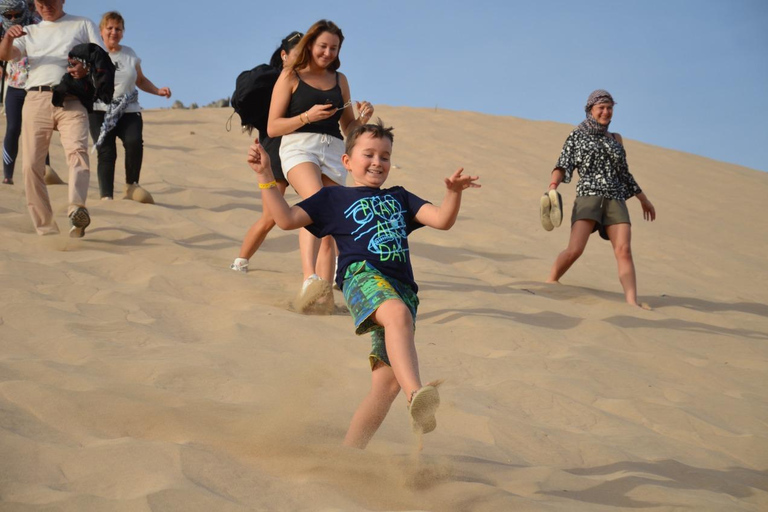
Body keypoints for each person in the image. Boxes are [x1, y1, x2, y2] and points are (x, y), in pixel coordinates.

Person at [247, 119, 481, 449]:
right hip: (362, 278)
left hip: (403, 290)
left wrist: (452, 193)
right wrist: (265, 177)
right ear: (347, 161)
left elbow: (442, 220)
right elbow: (285, 219)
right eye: (368, 154)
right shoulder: (333, 198)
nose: (377, 162)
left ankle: (349, 453)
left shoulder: (400, 198)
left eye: (385, 156)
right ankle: (417, 396)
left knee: (386, 385)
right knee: (396, 315)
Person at [267, 20, 374, 310]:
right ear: (311, 44)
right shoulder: (291, 75)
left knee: (330, 223)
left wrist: (361, 119)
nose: (327, 52)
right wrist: (307, 117)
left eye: (334, 48)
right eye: (323, 46)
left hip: (334, 150)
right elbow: (273, 126)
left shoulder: (340, 80)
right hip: (299, 146)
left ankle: (324, 295)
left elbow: (348, 127)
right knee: (316, 204)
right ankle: (308, 278)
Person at [545, 89, 656, 307]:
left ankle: (632, 301)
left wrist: (643, 199)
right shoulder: (577, 135)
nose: (606, 112)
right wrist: (552, 187)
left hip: (615, 198)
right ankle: (551, 280)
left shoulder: (616, 139)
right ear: (590, 110)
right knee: (575, 249)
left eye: (609, 108)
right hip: (588, 195)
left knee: (624, 250)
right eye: (601, 108)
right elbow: (562, 165)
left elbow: (624, 174)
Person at [0, 0, 102, 237]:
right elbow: (7, 54)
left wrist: (85, 68)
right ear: (34, 4)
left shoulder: (82, 24)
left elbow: (100, 57)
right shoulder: (30, 31)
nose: (46, 6)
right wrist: (7, 37)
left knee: (78, 153)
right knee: (30, 167)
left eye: (51, 1)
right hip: (36, 99)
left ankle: (77, 212)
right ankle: (46, 230)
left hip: (72, 98)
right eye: (40, 2)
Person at [230, 30, 303, 273]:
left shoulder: (307, 79)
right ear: (284, 55)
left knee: (324, 208)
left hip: (302, 151)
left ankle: (335, 270)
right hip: (277, 150)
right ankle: (240, 261)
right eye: (298, 53)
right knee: (271, 217)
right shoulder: (279, 81)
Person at [89, 11, 171, 202]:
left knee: (134, 142)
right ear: (101, 31)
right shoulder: (93, 53)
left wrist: (158, 91)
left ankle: (131, 185)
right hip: (100, 111)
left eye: (118, 28)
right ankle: (106, 197)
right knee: (107, 151)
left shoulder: (129, 54)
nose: (113, 32)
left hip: (129, 109)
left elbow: (140, 80)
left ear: (123, 32)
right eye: (109, 28)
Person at [0, 0, 56, 185]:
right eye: (9, 15)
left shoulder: (37, 24)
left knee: (40, 129)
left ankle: (45, 171)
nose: (14, 18)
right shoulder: (2, 28)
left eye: (17, 14)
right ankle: (8, 175)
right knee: (13, 128)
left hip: (37, 86)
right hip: (15, 86)